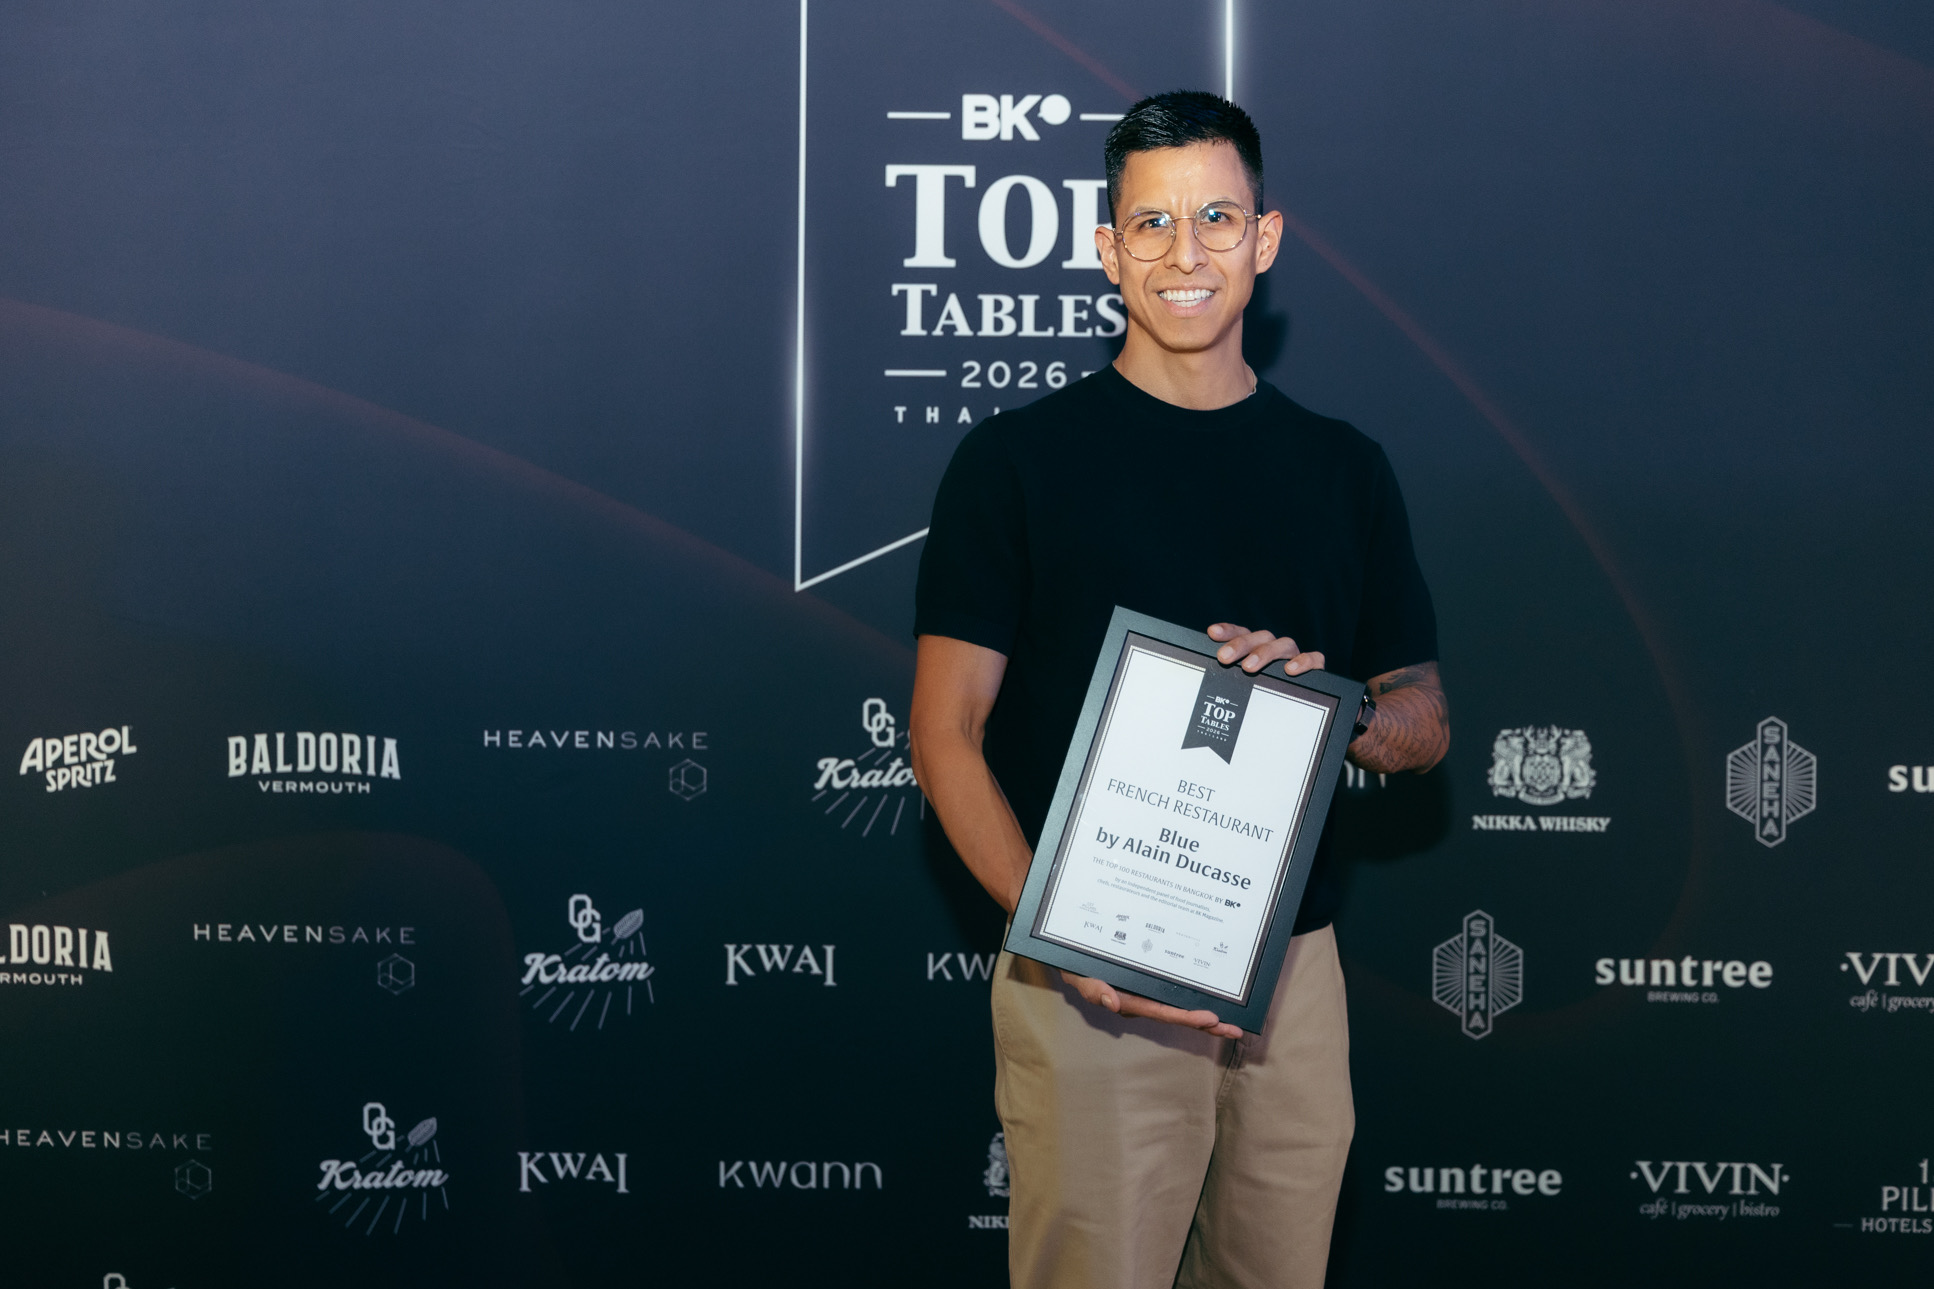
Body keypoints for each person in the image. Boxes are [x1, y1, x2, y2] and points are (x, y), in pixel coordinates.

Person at [907, 91, 1450, 1289]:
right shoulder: (1012, 462)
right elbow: (944, 733)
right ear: (1108, 250)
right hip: (1090, 979)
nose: (1184, 252)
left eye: (1216, 218)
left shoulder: (1343, 469)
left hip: (1290, 975)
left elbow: (1420, 718)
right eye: (1150, 224)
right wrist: (1057, 933)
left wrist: (1342, 710)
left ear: (1264, 238)